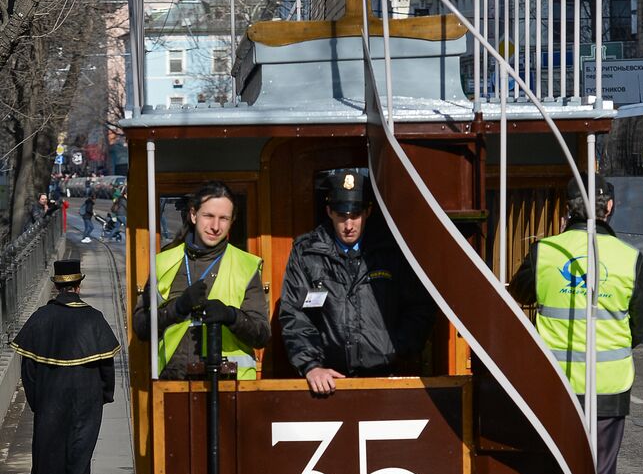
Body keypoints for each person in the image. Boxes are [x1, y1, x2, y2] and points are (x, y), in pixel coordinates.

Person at [508, 173, 643, 474]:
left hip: (555, 390)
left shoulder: (546, 251)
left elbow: (520, 291)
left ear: (565, 209)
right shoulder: (628, 258)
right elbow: (642, 325)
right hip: (608, 391)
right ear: (609, 208)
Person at [279, 169, 436, 394]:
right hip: (327, 380)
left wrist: (397, 348)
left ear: (368, 212)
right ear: (329, 212)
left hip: (386, 376)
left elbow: (419, 306)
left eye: (355, 215)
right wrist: (311, 366)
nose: (349, 225)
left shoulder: (392, 251)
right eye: (342, 215)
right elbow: (295, 314)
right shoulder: (306, 253)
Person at [11, 259, 120, 474]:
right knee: (79, 452)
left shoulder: (41, 318)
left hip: (49, 396)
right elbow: (106, 367)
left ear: (56, 286)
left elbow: (28, 370)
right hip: (86, 398)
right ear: (78, 286)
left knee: (46, 451)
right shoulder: (94, 319)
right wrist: (104, 395)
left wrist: (37, 400)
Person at [133, 181, 271, 379]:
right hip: (173, 384)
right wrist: (177, 308)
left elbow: (262, 335)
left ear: (232, 221)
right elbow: (141, 327)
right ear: (193, 215)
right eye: (209, 216)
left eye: (224, 218)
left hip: (230, 385)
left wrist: (231, 316)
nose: (215, 227)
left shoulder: (246, 266)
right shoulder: (163, 263)